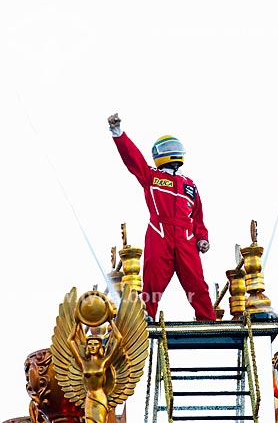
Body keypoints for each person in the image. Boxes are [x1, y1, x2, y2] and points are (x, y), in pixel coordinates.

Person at [107, 112, 216, 322]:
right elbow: (133, 159)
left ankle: (208, 321)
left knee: (197, 284)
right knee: (152, 283)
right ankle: (146, 318)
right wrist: (118, 133)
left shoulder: (190, 185)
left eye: (173, 147)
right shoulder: (152, 176)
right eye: (166, 149)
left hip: (185, 238)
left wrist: (202, 238)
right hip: (160, 233)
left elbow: (198, 217)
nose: (171, 152)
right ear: (157, 154)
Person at [67, 311, 122, 423]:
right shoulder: (83, 363)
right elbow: (70, 341)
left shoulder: (104, 362)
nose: (92, 346)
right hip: (89, 398)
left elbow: (119, 338)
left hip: (100, 397)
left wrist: (110, 320)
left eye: (95, 344)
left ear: (99, 347)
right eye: (90, 344)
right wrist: (76, 323)